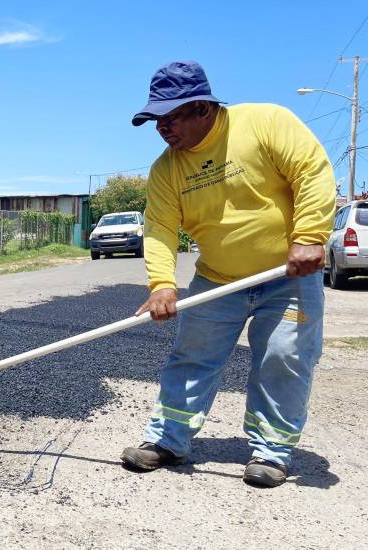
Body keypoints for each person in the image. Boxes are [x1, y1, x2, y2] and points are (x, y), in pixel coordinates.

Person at [120, 61, 335, 487]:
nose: (162, 128)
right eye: (155, 120)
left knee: (284, 357)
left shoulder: (265, 123)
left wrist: (310, 235)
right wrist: (162, 284)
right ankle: (167, 441)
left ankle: (271, 452)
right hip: (218, 279)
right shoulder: (167, 169)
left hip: (287, 277)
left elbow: (312, 172)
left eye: (171, 117)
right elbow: (161, 227)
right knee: (192, 356)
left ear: (202, 107)